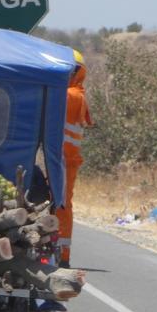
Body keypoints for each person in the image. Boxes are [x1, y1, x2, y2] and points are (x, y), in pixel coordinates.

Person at [54, 49, 93, 268]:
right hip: (59, 158)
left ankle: (62, 254)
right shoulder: (70, 93)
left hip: (65, 161)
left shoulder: (72, 95)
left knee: (61, 205)